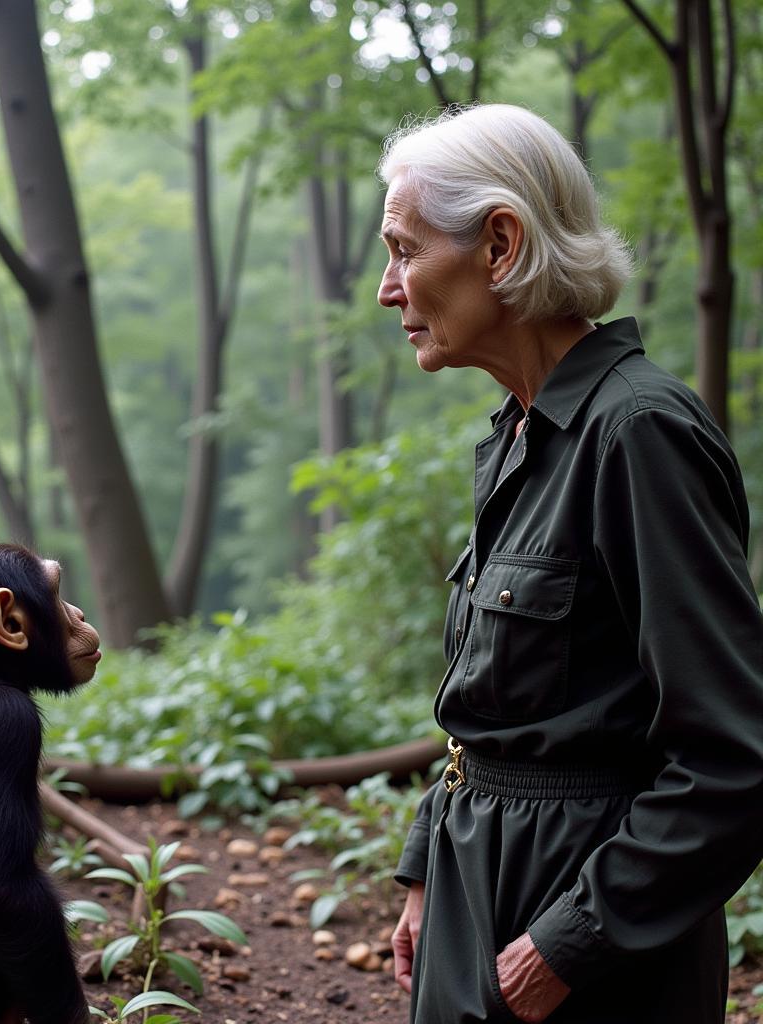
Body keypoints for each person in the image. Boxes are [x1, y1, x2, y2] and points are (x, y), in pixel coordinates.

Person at [377, 103, 763, 1024]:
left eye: (403, 248)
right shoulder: (522, 433)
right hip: (481, 902)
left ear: (501, 245)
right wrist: (432, 869)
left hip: (589, 956)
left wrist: (569, 944)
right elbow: (501, 711)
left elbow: (734, 757)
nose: (388, 288)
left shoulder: (640, 434)